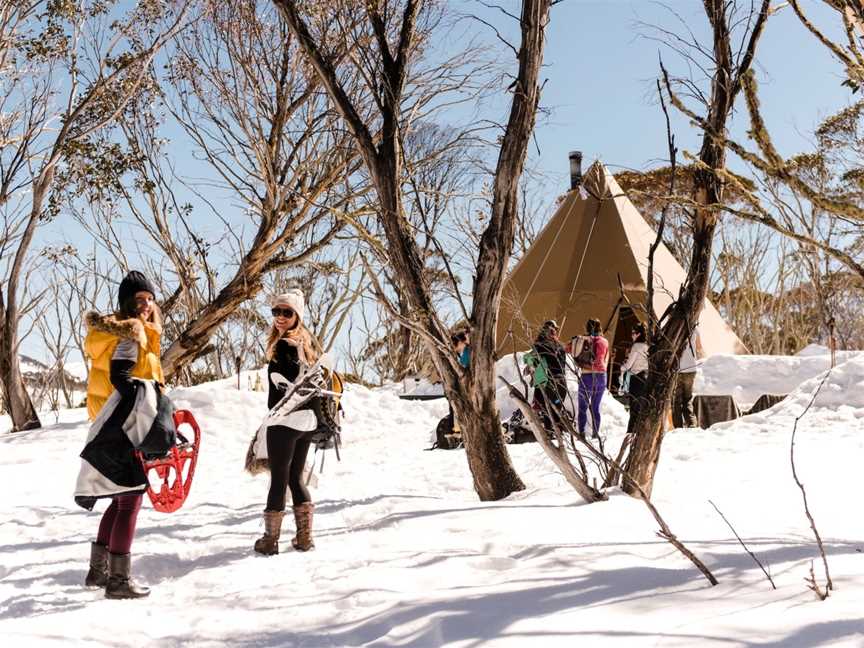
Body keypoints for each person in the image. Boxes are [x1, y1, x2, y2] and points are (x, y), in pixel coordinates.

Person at [78, 270, 165, 599]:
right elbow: (122, 379)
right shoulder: (130, 332)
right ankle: (117, 581)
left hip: (112, 422)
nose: (146, 304)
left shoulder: (128, 332)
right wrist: (149, 409)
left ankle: (97, 572)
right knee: (131, 498)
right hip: (123, 425)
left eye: (150, 298)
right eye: (140, 299)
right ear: (126, 302)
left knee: (118, 499)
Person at [254, 288, 322, 556]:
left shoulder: (285, 345)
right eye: (276, 311)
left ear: (298, 316)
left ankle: (270, 541)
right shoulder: (308, 344)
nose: (280, 317)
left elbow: (282, 388)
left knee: (279, 478)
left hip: (285, 419)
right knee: (296, 476)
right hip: (307, 421)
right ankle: (304, 539)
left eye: (287, 312)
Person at [574, 318, 609, 438]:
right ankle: (595, 432)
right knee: (595, 407)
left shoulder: (583, 339)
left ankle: (582, 432)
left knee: (582, 406)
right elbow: (605, 360)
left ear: (587, 328)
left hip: (587, 375)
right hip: (601, 377)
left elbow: (570, 351)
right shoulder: (604, 341)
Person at [532, 320, 568, 423]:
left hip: (550, 382)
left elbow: (534, 361)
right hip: (562, 382)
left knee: (547, 407)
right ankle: (555, 430)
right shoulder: (560, 346)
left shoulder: (540, 345)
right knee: (557, 405)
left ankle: (550, 431)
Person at [619, 322, 649, 435]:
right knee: (642, 406)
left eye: (633, 333)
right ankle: (640, 431)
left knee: (634, 408)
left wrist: (622, 367)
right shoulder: (647, 346)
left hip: (637, 378)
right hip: (646, 377)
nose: (632, 335)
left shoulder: (636, 346)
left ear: (638, 334)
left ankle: (631, 432)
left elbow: (629, 365)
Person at [673, 326, 704, 428]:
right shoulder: (695, 329)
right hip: (691, 369)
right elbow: (699, 348)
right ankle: (692, 424)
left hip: (678, 369)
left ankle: (678, 427)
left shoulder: (676, 327)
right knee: (687, 399)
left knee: (676, 401)